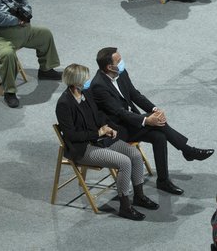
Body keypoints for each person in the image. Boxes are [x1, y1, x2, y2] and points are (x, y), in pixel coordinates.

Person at [90, 47, 214, 196]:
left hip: (131, 122)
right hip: (117, 130)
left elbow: (135, 94)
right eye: (119, 60)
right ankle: (188, 151)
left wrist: (155, 109)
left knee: (159, 136)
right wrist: (146, 120)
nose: (122, 62)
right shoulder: (98, 86)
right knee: (157, 125)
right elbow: (119, 112)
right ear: (109, 67)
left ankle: (163, 180)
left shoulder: (120, 73)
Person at [55, 64, 158, 221]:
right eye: (85, 78)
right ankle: (125, 207)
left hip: (100, 139)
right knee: (124, 162)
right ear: (76, 82)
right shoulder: (64, 104)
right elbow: (72, 135)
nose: (88, 81)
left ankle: (139, 196)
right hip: (83, 148)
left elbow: (98, 114)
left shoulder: (86, 93)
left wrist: (106, 126)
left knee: (135, 155)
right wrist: (97, 133)